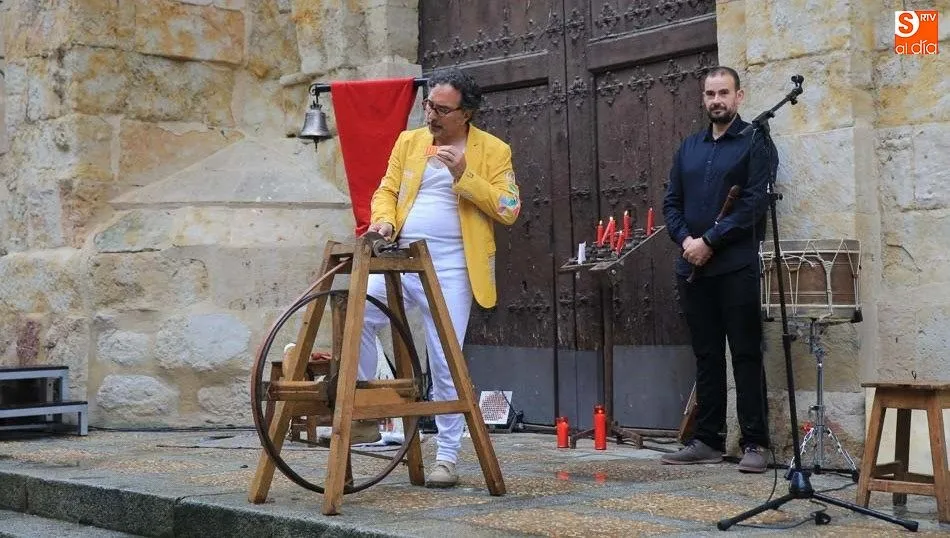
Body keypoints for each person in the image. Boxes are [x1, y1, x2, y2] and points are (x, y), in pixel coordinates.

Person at [358, 67, 521, 487]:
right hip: (401, 257)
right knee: (358, 314)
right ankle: (368, 407)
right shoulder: (409, 141)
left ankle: (446, 457)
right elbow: (387, 190)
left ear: (466, 113)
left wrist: (463, 173)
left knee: (446, 357)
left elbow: (508, 208)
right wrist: (381, 222)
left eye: (442, 110)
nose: (431, 115)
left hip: (453, 265)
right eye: (429, 105)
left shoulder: (494, 150)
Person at [660, 66, 775, 473]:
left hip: (736, 267)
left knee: (745, 354)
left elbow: (753, 205)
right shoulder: (689, 146)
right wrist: (688, 242)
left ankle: (756, 443)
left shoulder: (754, 141)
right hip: (692, 267)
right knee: (706, 355)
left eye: (723, 92)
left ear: (739, 97)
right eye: (710, 94)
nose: (716, 100)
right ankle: (707, 440)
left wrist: (711, 241)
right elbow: (671, 202)